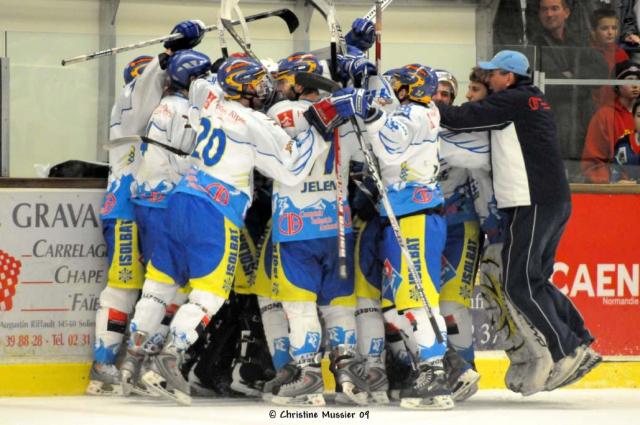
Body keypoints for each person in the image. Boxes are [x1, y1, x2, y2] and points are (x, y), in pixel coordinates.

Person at [120, 56, 328, 406]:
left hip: (179, 199)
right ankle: (169, 357)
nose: (265, 88)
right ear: (244, 88)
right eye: (258, 82)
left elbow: (204, 78)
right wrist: (319, 131)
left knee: (159, 284)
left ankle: (133, 360)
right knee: (210, 294)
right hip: (215, 209)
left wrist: (239, 67)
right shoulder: (254, 122)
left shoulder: (209, 95)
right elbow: (290, 171)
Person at [437, 50, 602, 395]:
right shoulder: (529, 99)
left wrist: (412, 107)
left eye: (491, 74)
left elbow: (454, 118)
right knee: (534, 279)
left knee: (518, 284)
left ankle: (563, 351)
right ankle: (579, 341)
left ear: (508, 77)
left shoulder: (511, 100)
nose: (486, 81)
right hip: (551, 200)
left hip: (534, 201)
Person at [86, 20, 205, 397]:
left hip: (159, 209)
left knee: (165, 288)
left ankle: (138, 363)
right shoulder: (132, 104)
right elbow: (143, 92)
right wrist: (168, 54)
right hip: (126, 207)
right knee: (124, 288)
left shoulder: (170, 112)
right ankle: (103, 365)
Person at [327, 64, 452, 410]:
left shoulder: (414, 114)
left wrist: (366, 110)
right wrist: (362, 81)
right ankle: (433, 366)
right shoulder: (417, 111)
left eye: (399, 85)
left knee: (415, 298)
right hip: (410, 215)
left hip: (414, 218)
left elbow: (389, 148)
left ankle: (435, 371)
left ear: (411, 89)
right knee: (406, 300)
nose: (393, 89)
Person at [531, 0, 609, 180]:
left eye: (554, 8)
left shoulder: (580, 39)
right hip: (552, 118)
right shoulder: (534, 43)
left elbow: (600, 71)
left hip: (582, 118)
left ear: (566, 12)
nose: (549, 14)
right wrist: (577, 80)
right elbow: (545, 80)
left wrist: (570, 76)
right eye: (544, 9)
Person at [582, 60, 640, 183]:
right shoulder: (605, 116)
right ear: (617, 84)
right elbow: (593, 163)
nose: (635, 85)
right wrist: (612, 182)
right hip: (617, 189)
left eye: (638, 79)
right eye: (629, 79)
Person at [612, 98, 640, 181]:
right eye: (639, 115)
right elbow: (614, 179)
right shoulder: (622, 144)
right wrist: (620, 182)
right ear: (633, 117)